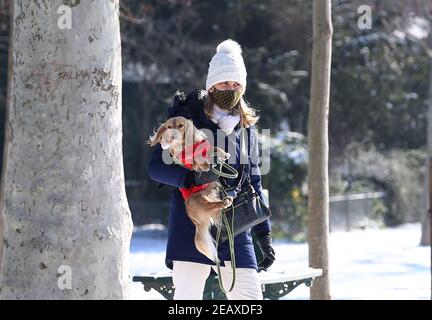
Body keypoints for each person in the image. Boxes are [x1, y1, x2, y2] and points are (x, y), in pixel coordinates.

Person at [148, 39, 275, 300]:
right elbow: (156, 167)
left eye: (236, 83)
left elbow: (255, 182)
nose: (230, 88)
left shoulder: (246, 129)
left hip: (236, 224)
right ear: (211, 84)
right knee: (188, 301)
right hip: (191, 221)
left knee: (249, 300)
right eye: (224, 82)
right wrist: (188, 176)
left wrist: (264, 234)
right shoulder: (187, 119)